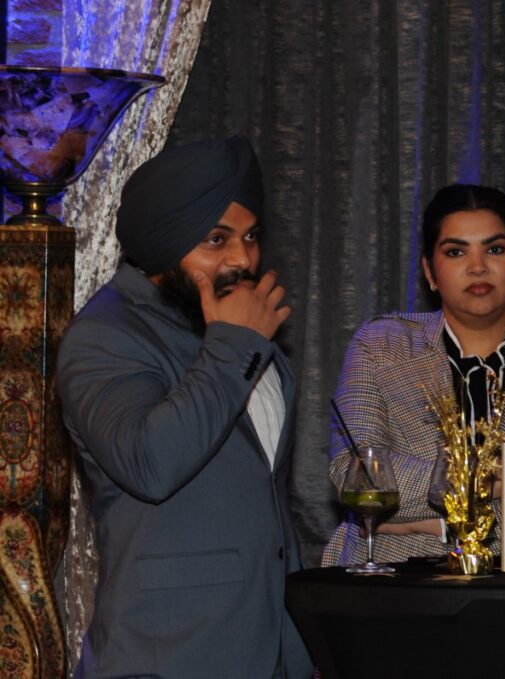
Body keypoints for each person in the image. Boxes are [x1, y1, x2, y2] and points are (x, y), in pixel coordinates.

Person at [57, 137, 313, 678]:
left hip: (270, 651)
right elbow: (150, 464)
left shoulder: (237, 328)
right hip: (169, 653)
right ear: (164, 239)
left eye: (250, 236)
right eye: (216, 239)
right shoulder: (106, 335)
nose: (242, 258)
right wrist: (236, 345)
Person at [322, 183, 505, 567]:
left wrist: (434, 523)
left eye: (495, 249)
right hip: (391, 581)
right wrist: (499, 480)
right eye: (456, 252)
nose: (477, 267)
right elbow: (355, 475)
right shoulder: (382, 345)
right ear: (430, 271)